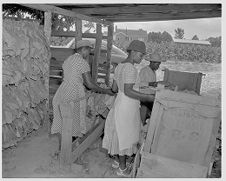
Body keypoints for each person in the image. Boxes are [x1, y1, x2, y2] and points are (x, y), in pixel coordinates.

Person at [102, 40, 155, 177]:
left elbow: (115, 88)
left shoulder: (120, 66)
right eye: (141, 55)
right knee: (126, 135)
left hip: (120, 102)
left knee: (119, 132)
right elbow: (129, 91)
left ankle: (117, 161)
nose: (141, 58)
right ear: (134, 52)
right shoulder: (131, 68)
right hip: (127, 104)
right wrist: (148, 97)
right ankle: (122, 168)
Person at [51, 40, 114, 151]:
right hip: (74, 93)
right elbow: (89, 84)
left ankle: (63, 149)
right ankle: (68, 152)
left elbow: (64, 79)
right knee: (74, 122)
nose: (89, 53)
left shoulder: (68, 60)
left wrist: (77, 84)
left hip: (63, 91)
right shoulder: (82, 62)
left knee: (65, 122)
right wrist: (105, 91)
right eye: (89, 50)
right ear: (84, 49)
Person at [139, 52, 165, 124]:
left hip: (150, 95)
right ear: (152, 63)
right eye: (157, 64)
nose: (158, 66)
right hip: (144, 96)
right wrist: (150, 83)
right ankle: (142, 123)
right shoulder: (144, 70)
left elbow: (151, 86)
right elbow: (138, 84)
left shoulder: (153, 71)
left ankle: (147, 121)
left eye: (159, 64)